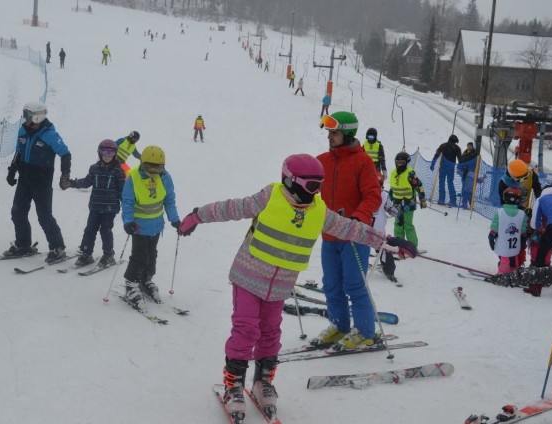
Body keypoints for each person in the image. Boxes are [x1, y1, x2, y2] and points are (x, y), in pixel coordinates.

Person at [176, 154, 416, 422]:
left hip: (280, 286)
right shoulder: (269, 197)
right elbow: (231, 208)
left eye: (319, 187)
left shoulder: (319, 212)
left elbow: (352, 229)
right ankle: (233, 384)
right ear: (290, 182)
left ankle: (262, 381)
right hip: (248, 277)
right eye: (312, 186)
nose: (315, 193)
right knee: (246, 330)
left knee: (270, 333)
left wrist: (388, 241)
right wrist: (197, 216)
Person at [312, 111, 382, 352]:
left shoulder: (363, 162)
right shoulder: (322, 161)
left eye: (335, 132)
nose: (330, 136)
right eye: (329, 132)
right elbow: (307, 188)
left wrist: (357, 218)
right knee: (331, 284)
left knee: (354, 284)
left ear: (348, 133)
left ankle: (365, 332)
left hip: (353, 236)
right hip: (329, 235)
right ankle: (340, 326)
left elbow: (373, 196)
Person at [4, 101, 72, 262]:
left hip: (42, 182)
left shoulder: (50, 135)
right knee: (17, 212)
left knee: (44, 216)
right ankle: (23, 244)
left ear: (37, 117)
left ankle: (58, 248)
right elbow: (18, 153)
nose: (24, 118)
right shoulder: (23, 131)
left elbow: (65, 154)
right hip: (24, 180)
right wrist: (12, 170)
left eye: (27, 115)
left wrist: (65, 176)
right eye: (24, 114)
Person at [120, 146, 181, 312]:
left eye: (158, 167)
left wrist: (174, 219)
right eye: (150, 167)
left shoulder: (165, 178)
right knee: (139, 256)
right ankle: (131, 285)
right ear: (142, 163)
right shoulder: (133, 178)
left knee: (152, 254)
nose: (154, 171)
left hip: (156, 226)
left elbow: (169, 200)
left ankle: (146, 278)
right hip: (139, 227)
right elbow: (127, 202)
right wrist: (128, 220)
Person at [67, 140, 126, 268]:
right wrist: (73, 183)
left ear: (115, 154)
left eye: (110, 152)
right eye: (104, 152)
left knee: (105, 230)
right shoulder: (94, 168)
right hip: (95, 206)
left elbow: (123, 191)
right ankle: (86, 253)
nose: (107, 155)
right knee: (90, 230)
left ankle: (108, 254)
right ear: (99, 153)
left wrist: (128, 206)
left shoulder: (118, 171)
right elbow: (87, 182)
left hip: (110, 208)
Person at [498, 159, 542, 266]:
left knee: (522, 240)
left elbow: (538, 192)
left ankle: (520, 262)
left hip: (525, 214)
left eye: (525, 178)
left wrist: (538, 208)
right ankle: (506, 262)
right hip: (511, 215)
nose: (522, 180)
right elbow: (504, 204)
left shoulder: (530, 174)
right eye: (520, 179)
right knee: (508, 238)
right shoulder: (504, 183)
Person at [389, 151, 427, 248]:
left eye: (402, 163)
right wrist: (388, 200)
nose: (400, 165)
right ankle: (399, 244)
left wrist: (422, 200)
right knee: (398, 224)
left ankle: (412, 245)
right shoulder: (393, 173)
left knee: (407, 225)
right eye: (398, 163)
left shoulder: (410, 174)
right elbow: (392, 188)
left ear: (406, 163)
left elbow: (419, 186)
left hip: (408, 204)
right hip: (396, 204)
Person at [489, 188, 526, 274]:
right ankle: (514, 271)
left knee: (505, 258)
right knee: (514, 257)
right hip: (515, 245)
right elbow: (523, 231)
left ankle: (503, 273)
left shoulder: (499, 212)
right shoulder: (522, 214)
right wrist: (523, 241)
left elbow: (494, 227)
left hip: (503, 245)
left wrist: (491, 236)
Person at [372, 172, 401, 283]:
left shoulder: (383, 195)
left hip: (374, 227)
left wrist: (398, 214)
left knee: (382, 248)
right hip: (369, 227)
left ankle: (389, 271)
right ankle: (389, 270)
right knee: (382, 247)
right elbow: (389, 208)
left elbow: (389, 208)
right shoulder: (382, 195)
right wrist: (397, 213)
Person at [430, 134, 462, 207]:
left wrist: (433, 163)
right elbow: (460, 159)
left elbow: (436, 154)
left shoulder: (443, 145)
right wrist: (461, 168)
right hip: (451, 168)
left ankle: (441, 199)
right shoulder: (457, 148)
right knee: (450, 183)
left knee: (441, 183)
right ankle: (453, 200)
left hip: (443, 167)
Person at [458, 142, 478, 208]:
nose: (469, 147)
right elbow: (461, 160)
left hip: (471, 171)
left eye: (470, 146)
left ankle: (471, 203)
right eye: (468, 145)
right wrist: (460, 168)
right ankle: (464, 203)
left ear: (472, 146)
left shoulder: (474, 153)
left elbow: (475, 162)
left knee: (469, 189)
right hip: (464, 171)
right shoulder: (465, 152)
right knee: (464, 187)